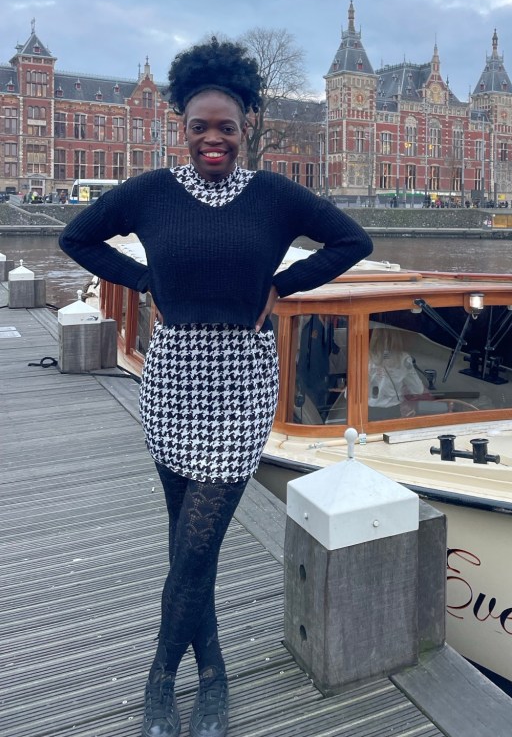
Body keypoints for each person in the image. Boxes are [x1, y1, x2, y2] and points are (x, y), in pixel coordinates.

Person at [58, 36, 372, 737]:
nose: (212, 138)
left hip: (241, 382)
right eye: (199, 126)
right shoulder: (151, 192)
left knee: (197, 548)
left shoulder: (273, 196)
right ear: (182, 126)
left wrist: (283, 286)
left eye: (225, 127)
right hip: (173, 377)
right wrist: (144, 280)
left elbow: (354, 242)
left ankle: (158, 682)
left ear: (247, 126)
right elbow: (76, 238)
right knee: (186, 547)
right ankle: (214, 674)